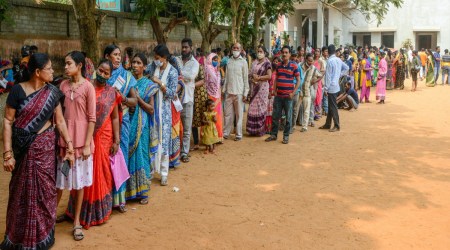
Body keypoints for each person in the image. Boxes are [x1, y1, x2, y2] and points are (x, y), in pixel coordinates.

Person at [1, 53, 75, 249]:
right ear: (37, 72)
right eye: (49, 68)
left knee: (45, 193)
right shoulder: (17, 91)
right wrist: (7, 153)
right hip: (22, 150)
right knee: (20, 194)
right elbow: (8, 122)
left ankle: (42, 236)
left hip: (45, 150)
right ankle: (17, 237)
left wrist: (69, 146)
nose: (52, 71)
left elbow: (59, 121)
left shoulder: (52, 93)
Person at [66, 59, 121, 229]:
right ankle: (77, 212)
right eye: (101, 70)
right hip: (85, 136)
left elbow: (114, 117)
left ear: (110, 75)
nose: (103, 75)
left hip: (104, 137)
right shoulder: (86, 86)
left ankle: (99, 211)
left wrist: (116, 139)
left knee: (100, 171)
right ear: (96, 69)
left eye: (107, 73)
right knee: (82, 170)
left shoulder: (112, 93)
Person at [55, 51, 95, 241]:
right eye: (65, 63)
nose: (65, 67)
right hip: (64, 142)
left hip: (81, 145)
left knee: (79, 185)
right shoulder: (62, 86)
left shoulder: (88, 87)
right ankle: (49, 219)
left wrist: (87, 145)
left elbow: (92, 119)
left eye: (69, 63)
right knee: (59, 183)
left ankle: (77, 221)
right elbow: (59, 116)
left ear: (79, 66)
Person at [104, 44, 138, 212]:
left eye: (119, 55)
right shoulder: (101, 75)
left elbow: (134, 101)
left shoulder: (127, 76)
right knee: (104, 159)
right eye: (114, 54)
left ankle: (120, 198)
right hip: (104, 124)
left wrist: (122, 98)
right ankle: (104, 197)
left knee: (120, 156)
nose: (118, 57)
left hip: (122, 121)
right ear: (107, 57)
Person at [127, 53, 159, 204]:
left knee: (141, 154)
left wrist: (138, 99)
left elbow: (151, 110)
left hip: (143, 125)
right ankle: (129, 191)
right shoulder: (128, 81)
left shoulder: (148, 85)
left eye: (138, 63)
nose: (135, 65)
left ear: (144, 67)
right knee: (128, 154)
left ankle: (143, 191)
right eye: (133, 62)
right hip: (128, 123)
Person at [149, 44, 178, 186]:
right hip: (151, 109)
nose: (156, 61)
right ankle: (150, 171)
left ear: (164, 57)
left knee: (164, 141)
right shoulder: (152, 68)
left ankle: (164, 173)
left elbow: (172, 93)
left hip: (164, 112)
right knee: (151, 138)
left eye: (158, 58)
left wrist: (160, 83)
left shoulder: (172, 72)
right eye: (154, 58)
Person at [265, 46, 301, 144]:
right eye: (283, 52)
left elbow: (298, 80)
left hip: (288, 97)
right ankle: (273, 134)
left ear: (289, 54)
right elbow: (276, 78)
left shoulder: (294, 66)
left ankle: (286, 136)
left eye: (286, 52)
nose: (284, 54)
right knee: (275, 116)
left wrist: (293, 93)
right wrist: (274, 90)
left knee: (288, 118)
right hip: (278, 96)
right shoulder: (278, 66)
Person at [177, 38, 199, 163]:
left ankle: (184, 153)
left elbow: (191, 77)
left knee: (186, 128)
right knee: (174, 127)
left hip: (188, 99)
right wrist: (182, 74)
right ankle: (174, 152)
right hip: (175, 99)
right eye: (183, 47)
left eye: (186, 47)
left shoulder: (195, 63)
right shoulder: (177, 60)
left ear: (191, 48)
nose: (184, 49)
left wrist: (179, 74)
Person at [222, 43, 249, 141]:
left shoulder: (244, 62)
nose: (236, 49)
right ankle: (226, 133)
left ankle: (238, 134)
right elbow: (226, 77)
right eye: (234, 48)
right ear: (231, 49)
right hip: (229, 91)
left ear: (241, 49)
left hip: (239, 92)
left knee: (239, 114)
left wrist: (245, 93)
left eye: (238, 48)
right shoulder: (229, 61)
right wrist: (223, 90)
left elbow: (245, 79)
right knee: (227, 114)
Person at [319, 44, 349, 132]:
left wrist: (326, 88)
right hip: (336, 85)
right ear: (335, 51)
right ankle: (328, 124)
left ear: (328, 52)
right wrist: (340, 74)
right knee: (332, 105)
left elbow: (328, 76)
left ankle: (336, 125)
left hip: (331, 86)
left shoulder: (330, 61)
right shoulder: (338, 60)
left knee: (333, 106)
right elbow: (347, 68)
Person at [247, 46, 272, 136]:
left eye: (261, 51)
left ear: (265, 53)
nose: (259, 53)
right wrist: (252, 79)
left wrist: (259, 78)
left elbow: (269, 76)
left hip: (263, 89)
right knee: (252, 108)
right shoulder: (254, 63)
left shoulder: (267, 63)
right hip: (254, 87)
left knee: (261, 108)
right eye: (258, 51)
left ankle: (260, 130)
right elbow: (249, 74)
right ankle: (252, 130)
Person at [300, 53, 323, 132]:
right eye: (309, 61)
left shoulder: (314, 68)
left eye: (311, 61)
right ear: (306, 60)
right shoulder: (300, 66)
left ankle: (305, 126)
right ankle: (294, 125)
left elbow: (321, 75)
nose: (310, 62)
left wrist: (313, 82)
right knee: (296, 109)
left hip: (308, 91)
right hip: (299, 91)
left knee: (307, 108)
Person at [205, 53, 224, 140]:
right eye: (214, 60)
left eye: (217, 60)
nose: (216, 62)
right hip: (210, 95)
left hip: (217, 96)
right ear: (210, 60)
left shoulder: (216, 69)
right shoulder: (208, 68)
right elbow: (214, 80)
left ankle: (218, 137)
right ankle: (210, 138)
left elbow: (218, 84)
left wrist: (219, 96)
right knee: (209, 117)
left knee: (217, 117)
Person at [266, 57, 280, 133]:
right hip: (269, 94)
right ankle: (268, 128)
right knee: (268, 112)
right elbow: (268, 83)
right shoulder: (270, 72)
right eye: (274, 61)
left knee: (275, 112)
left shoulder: (279, 73)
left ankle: (274, 128)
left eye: (277, 61)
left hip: (276, 94)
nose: (275, 63)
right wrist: (268, 92)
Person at [313, 48, 326, 121]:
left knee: (318, 97)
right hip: (311, 81)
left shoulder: (320, 62)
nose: (316, 52)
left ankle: (317, 114)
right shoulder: (311, 60)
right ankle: (312, 114)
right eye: (316, 51)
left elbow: (323, 71)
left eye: (318, 51)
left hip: (318, 81)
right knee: (312, 97)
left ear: (320, 53)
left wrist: (318, 78)